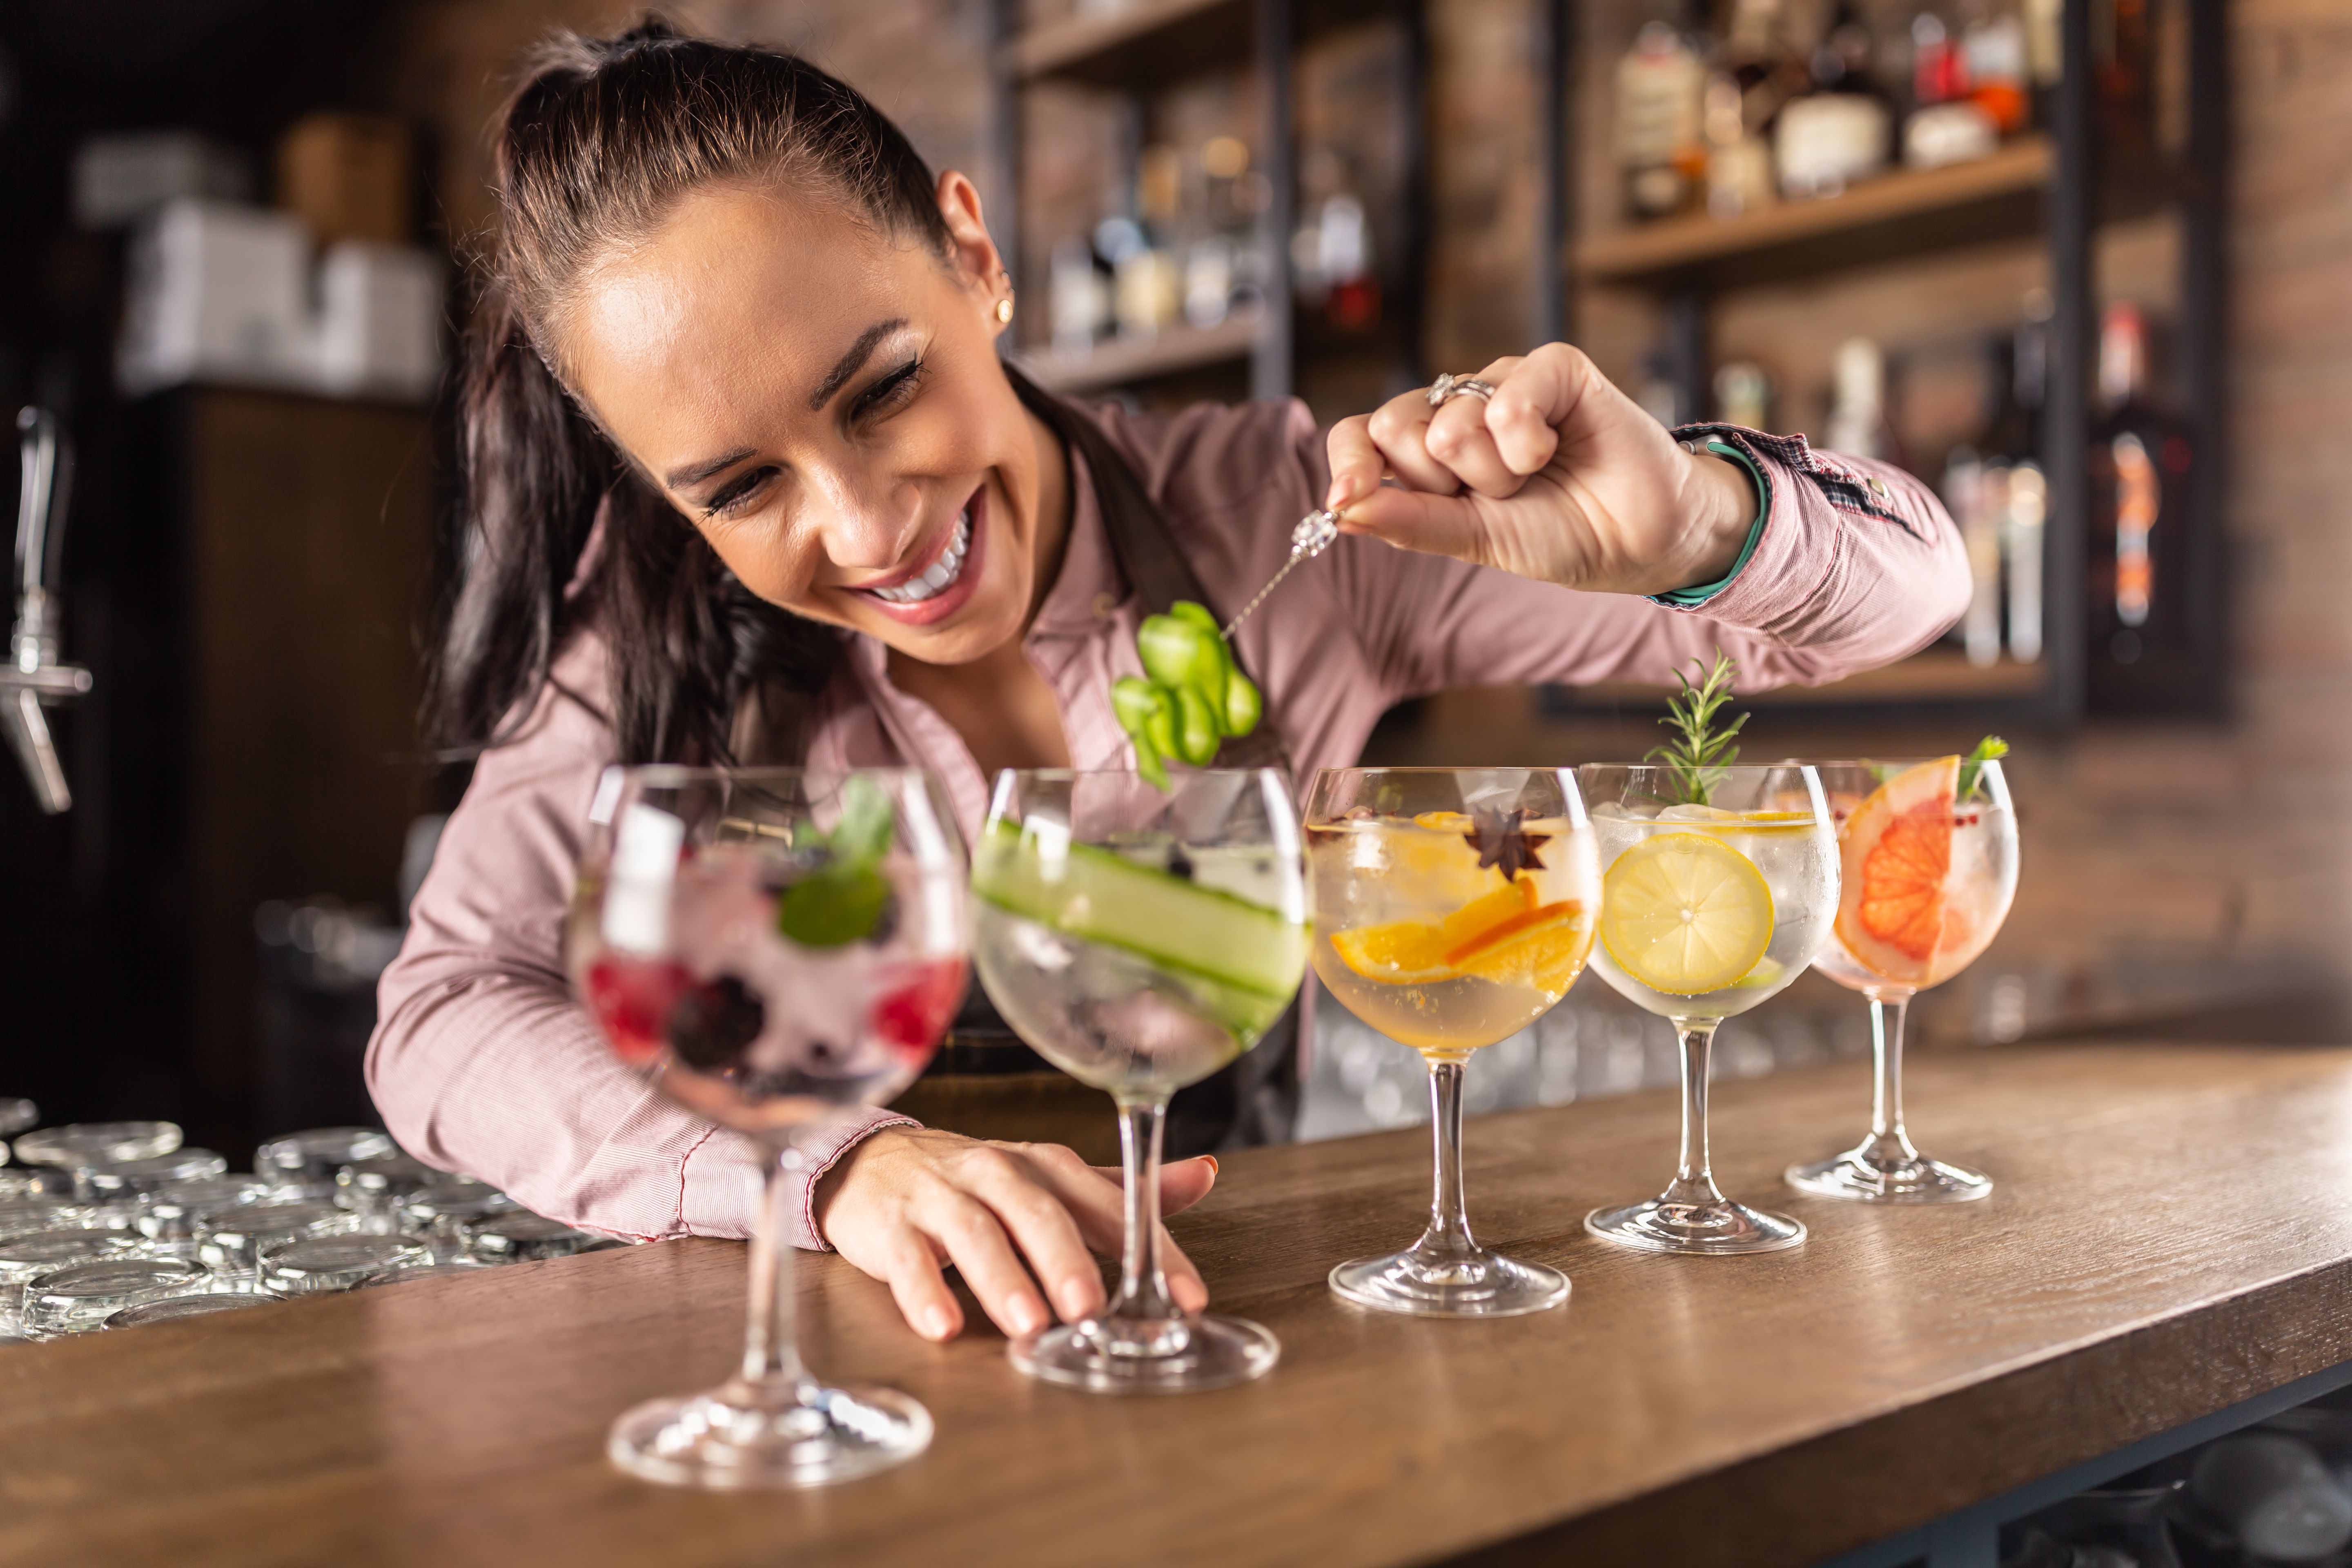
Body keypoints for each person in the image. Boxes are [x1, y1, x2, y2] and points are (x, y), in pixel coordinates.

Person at [370, 22, 1968, 1347]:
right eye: (738, 489)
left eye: (886, 389)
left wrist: (1689, 519)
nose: (865, 527)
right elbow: (440, 1013)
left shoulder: (1301, 527)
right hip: (830, 1382)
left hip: (1224, 1333)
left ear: (976, 260)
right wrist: (836, 1173)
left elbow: (1906, 602)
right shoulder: (644, 634)